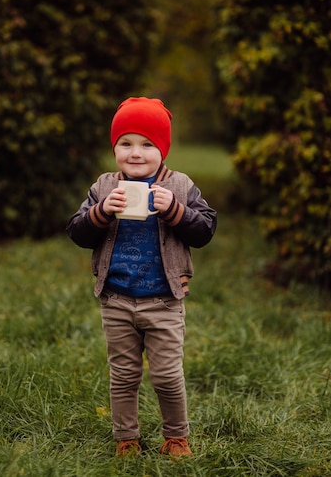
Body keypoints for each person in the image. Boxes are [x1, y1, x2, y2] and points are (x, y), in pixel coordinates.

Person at [66, 97, 217, 458]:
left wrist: (175, 211)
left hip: (163, 300)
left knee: (166, 375)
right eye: (126, 143)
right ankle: (126, 439)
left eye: (148, 144)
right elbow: (77, 232)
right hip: (117, 298)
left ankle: (176, 436)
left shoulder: (180, 186)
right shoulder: (104, 186)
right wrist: (102, 212)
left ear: (162, 149)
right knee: (123, 375)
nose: (136, 153)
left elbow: (205, 230)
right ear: (115, 147)